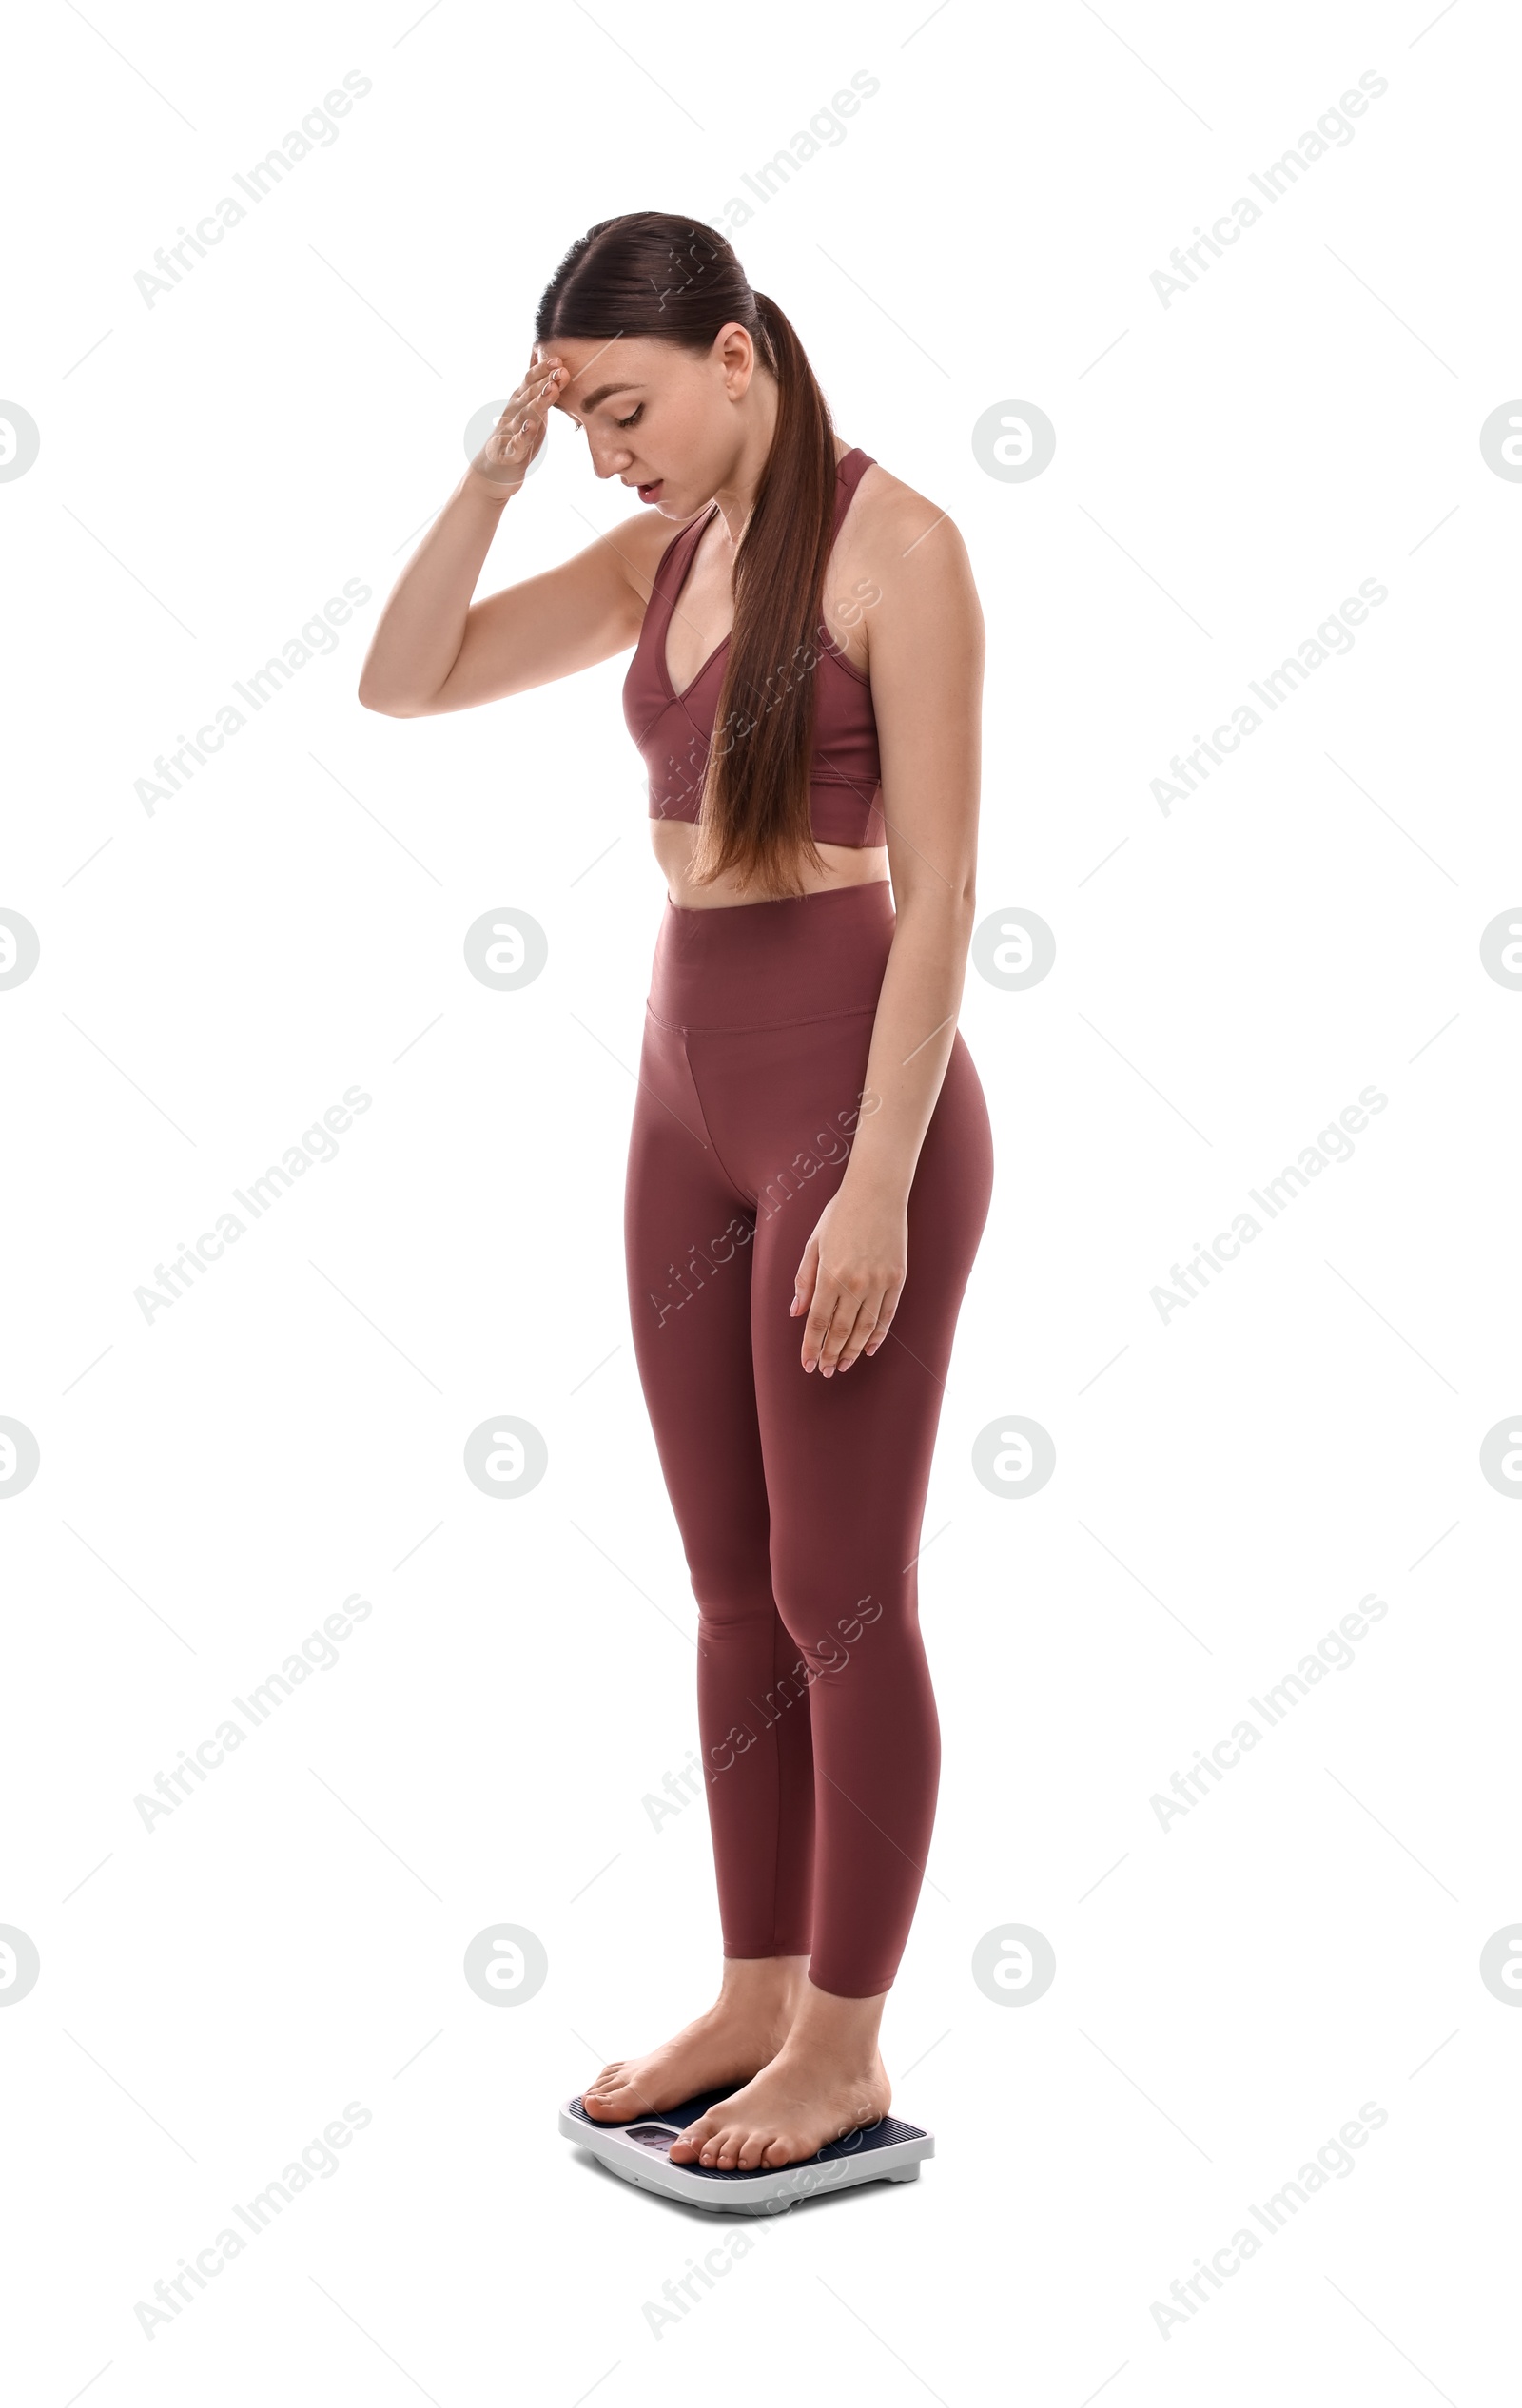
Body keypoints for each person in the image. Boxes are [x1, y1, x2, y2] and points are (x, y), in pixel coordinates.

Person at [358, 212, 994, 2176]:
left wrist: (876, 1182)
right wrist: (492, 466)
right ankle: (753, 1985)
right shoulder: (657, 556)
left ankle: (846, 2046)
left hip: (845, 1103)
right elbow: (407, 677)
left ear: (736, 354)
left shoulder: (902, 552)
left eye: (626, 412)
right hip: (676, 1089)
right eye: (584, 430)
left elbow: (950, 892)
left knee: (839, 1595)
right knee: (731, 1592)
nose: (612, 456)